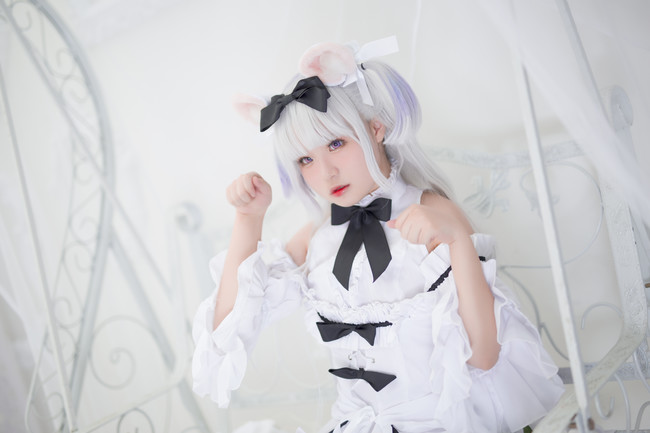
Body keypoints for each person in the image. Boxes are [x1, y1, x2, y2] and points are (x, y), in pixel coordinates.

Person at [192, 37, 564, 433]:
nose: (326, 173)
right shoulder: (316, 238)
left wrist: (457, 240)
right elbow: (228, 329)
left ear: (376, 128)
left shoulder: (435, 214)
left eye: (336, 143)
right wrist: (248, 219)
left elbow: (484, 357)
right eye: (306, 159)